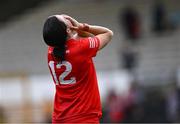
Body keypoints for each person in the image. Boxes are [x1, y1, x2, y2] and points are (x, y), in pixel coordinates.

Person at [42, 14, 113, 123]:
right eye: (64, 18)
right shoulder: (81, 48)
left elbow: (74, 41)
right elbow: (107, 34)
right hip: (83, 117)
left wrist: (76, 30)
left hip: (60, 118)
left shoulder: (50, 51)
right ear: (68, 30)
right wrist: (82, 26)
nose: (65, 16)